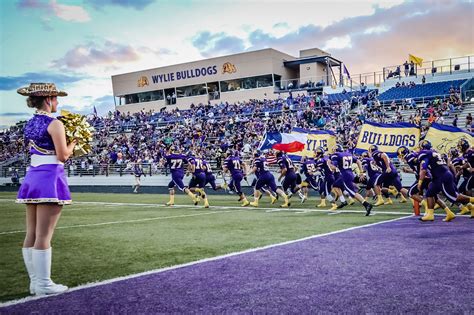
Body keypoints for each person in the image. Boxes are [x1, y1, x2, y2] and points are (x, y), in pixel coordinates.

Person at [16, 83, 77, 295]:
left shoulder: (30, 123)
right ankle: (44, 284)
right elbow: (63, 156)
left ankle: (35, 282)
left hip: (32, 176)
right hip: (50, 178)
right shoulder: (55, 123)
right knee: (44, 235)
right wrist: (74, 144)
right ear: (49, 99)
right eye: (56, 99)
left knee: (31, 233)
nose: (58, 103)